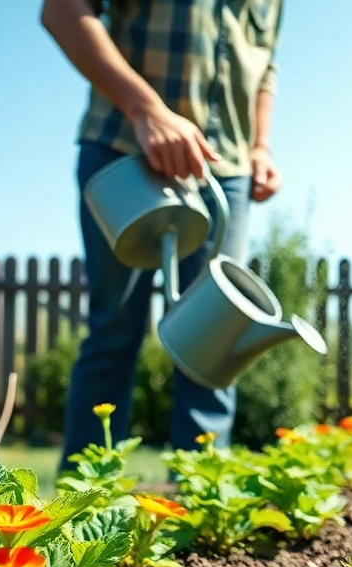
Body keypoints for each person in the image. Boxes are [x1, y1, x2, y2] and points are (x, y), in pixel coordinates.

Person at [41, 0, 284, 469]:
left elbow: (266, 64)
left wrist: (260, 145)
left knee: (214, 343)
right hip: (125, 147)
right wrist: (146, 108)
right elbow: (62, 10)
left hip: (224, 171)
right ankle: (85, 495)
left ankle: (199, 496)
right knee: (114, 332)